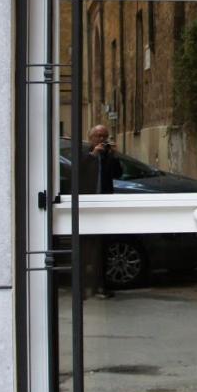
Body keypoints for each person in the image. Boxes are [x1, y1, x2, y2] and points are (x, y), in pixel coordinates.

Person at [79, 125, 123, 298]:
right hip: (86, 205)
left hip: (103, 205)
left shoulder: (107, 155)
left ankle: (101, 286)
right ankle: (83, 287)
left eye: (104, 136)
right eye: (98, 136)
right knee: (85, 248)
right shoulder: (85, 153)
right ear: (90, 138)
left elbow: (118, 174)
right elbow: (77, 172)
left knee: (102, 248)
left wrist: (115, 156)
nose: (101, 139)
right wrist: (93, 155)